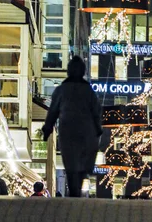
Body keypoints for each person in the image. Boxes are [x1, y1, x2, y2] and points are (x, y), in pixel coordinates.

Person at [42, 56, 102, 198]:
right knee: (81, 162)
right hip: (86, 131)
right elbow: (96, 112)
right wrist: (98, 129)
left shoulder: (61, 90)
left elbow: (53, 111)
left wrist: (47, 128)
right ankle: (77, 188)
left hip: (67, 129)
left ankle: (74, 191)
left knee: (70, 162)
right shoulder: (89, 92)